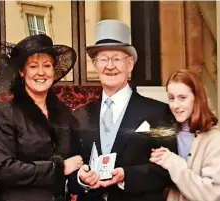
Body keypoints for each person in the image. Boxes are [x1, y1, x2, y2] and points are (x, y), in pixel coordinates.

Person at [67, 19, 176, 201]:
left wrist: (126, 175)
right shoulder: (79, 116)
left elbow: (167, 170)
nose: (110, 66)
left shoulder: (158, 112)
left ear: (130, 64)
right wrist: (81, 178)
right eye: (103, 59)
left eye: (117, 59)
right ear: (95, 65)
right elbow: (69, 173)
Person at [0, 34, 83, 201]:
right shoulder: (4, 113)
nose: (41, 72)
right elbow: (4, 168)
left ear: (53, 70)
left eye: (47, 65)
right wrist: (57, 169)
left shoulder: (63, 113)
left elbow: (76, 157)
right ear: (22, 72)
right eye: (33, 66)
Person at [150, 69, 220, 201]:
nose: (175, 105)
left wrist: (172, 162)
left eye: (182, 98)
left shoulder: (214, 139)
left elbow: (211, 194)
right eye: (171, 98)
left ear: (197, 98)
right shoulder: (167, 134)